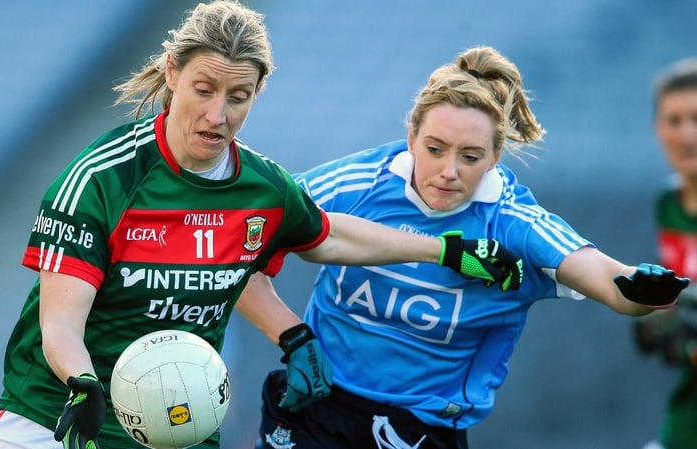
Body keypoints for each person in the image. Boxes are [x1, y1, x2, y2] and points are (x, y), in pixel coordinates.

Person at [0, 3, 526, 449]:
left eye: (238, 97)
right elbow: (59, 323)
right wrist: (82, 385)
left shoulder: (263, 188)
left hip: (177, 426)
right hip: (59, 415)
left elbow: (328, 235)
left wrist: (445, 252)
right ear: (173, 73)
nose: (219, 115)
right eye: (204, 90)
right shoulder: (103, 177)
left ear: (256, 93)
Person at [237, 45, 691, 449]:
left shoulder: (512, 222)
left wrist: (635, 286)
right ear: (411, 135)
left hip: (417, 428)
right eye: (435, 148)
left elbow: (601, 276)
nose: (448, 170)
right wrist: (294, 338)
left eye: (470, 157)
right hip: (316, 402)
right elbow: (233, 250)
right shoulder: (358, 183)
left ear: (495, 157)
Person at [633, 57, 697, 449]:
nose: (686, 133)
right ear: (658, 130)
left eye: (696, 117)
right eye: (674, 120)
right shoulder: (667, 204)